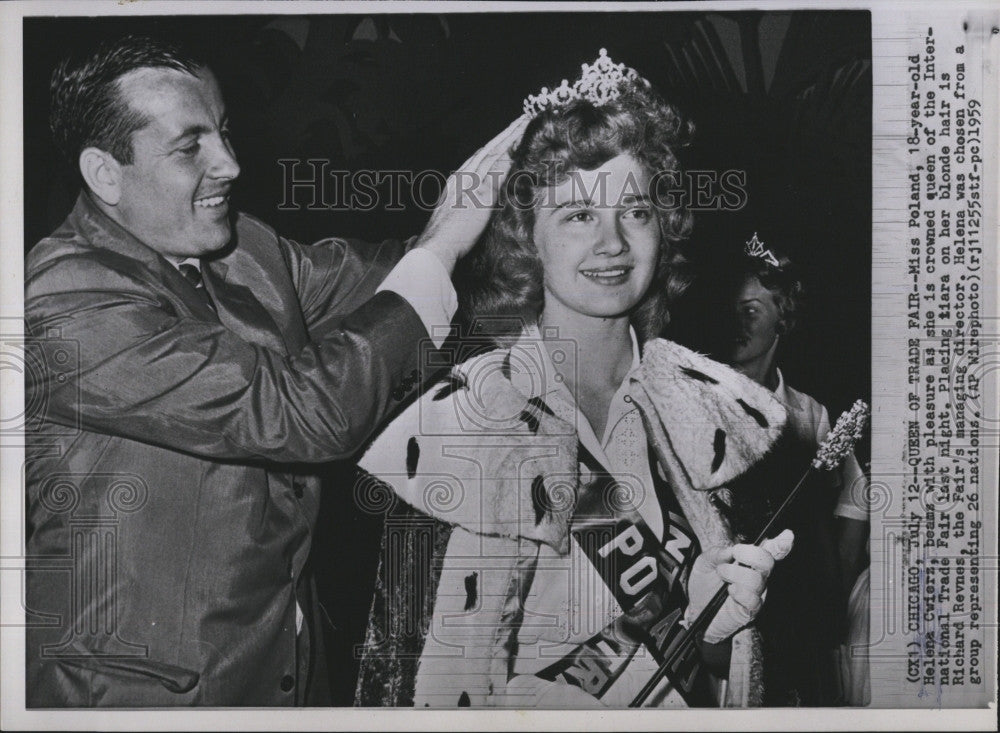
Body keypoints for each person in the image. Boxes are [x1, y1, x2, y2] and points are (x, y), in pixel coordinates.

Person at [24, 34, 524, 707]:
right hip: (140, 702)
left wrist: (540, 213)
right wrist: (443, 246)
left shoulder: (243, 249)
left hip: (283, 671)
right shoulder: (66, 303)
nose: (230, 163)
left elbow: (395, 282)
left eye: (224, 131)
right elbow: (302, 413)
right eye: (190, 145)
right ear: (105, 174)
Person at [352, 50, 795, 708]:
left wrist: (715, 632)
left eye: (635, 211)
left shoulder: (698, 407)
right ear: (526, 236)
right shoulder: (470, 416)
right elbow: (420, 687)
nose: (613, 242)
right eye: (579, 216)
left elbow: (710, 675)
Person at [695, 235, 870, 705]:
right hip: (710, 612)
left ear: (782, 319)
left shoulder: (810, 415)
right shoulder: (693, 399)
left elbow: (854, 497)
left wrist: (833, 593)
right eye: (730, 309)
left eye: (751, 310)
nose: (736, 321)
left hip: (790, 615)